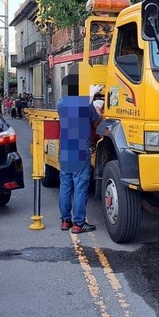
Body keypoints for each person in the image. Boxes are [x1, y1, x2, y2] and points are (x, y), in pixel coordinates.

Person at [57, 92, 102, 234]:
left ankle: (65, 221)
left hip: (65, 149)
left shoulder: (60, 103)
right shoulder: (85, 105)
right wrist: (98, 106)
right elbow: (97, 118)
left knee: (65, 186)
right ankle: (79, 223)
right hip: (80, 150)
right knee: (80, 188)